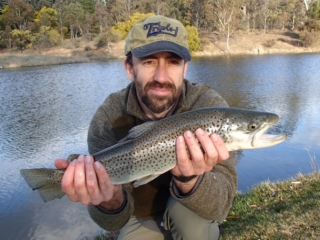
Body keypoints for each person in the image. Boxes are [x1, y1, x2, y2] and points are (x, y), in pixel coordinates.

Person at [55, 15, 237, 240]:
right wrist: (111, 199)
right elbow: (112, 221)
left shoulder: (211, 108)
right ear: (130, 68)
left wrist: (189, 180)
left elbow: (220, 206)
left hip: (191, 210)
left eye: (173, 62)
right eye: (149, 61)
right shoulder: (107, 119)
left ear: (185, 68)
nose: (161, 77)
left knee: (193, 226)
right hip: (138, 215)